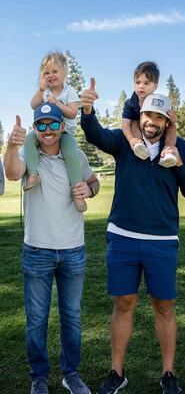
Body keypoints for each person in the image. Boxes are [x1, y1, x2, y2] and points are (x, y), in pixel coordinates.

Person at [81, 79, 185, 394]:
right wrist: (88, 110)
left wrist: (178, 164)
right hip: (122, 236)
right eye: (147, 116)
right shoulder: (124, 141)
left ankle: (168, 375)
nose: (151, 122)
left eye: (159, 118)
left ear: (167, 121)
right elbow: (95, 134)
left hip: (162, 241)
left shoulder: (180, 147)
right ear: (140, 117)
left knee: (164, 305)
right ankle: (117, 372)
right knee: (123, 303)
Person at [4, 103, 100, 394]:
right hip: (37, 251)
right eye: (41, 125)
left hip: (73, 250)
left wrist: (89, 189)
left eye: (52, 124)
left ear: (61, 126)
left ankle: (71, 374)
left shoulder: (76, 156)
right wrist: (10, 146)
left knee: (71, 316)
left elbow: (93, 181)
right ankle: (39, 378)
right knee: (36, 319)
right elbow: (11, 173)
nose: (47, 130)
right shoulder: (26, 156)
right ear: (35, 128)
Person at [24, 51, 87, 212]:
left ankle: (77, 193)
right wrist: (40, 90)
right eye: (46, 72)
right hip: (44, 132)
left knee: (71, 155)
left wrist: (57, 103)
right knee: (29, 140)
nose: (50, 75)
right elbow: (33, 105)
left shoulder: (69, 91)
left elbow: (72, 113)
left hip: (64, 134)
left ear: (64, 73)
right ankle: (33, 174)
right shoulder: (44, 91)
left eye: (54, 71)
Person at [122, 61, 177, 167]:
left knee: (172, 126)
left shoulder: (160, 102)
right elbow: (125, 124)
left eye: (146, 83)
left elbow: (171, 119)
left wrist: (174, 120)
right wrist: (131, 139)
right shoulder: (130, 103)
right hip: (139, 130)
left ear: (155, 86)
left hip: (157, 129)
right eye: (138, 82)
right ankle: (139, 146)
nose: (141, 86)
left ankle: (168, 150)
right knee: (134, 122)